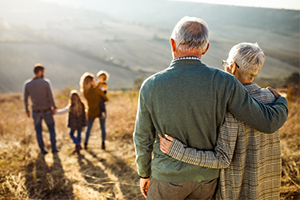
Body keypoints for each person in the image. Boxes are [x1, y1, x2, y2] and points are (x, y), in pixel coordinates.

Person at [133, 16, 288, 200]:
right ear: (206, 48)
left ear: (172, 44)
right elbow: (266, 122)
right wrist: (281, 102)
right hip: (206, 181)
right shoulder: (224, 82)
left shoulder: (151, 85)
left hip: (167, 178)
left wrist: (144, 173)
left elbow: (142, 137)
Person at [159, 42, 282, 199]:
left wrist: (178, 151)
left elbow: (222, 159)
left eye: (225, 64)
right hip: (267, 189)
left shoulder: (228, 105)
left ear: (232, 67)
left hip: (236, 192)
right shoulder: (272, 99)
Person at [24, 63, 59, 155]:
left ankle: (42, 149)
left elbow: (25, 99)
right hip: (47, 110)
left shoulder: (28, 84)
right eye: (43, 72)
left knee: (38, 131)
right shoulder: (46, 83)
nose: (44, 73)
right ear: (40, 72)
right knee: (51, 129)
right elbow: (50, 97)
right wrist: (54, 107)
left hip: (35, 112)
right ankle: (54, 148)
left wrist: (27, 110)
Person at [80, 72, 108, 150]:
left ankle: (85, 143)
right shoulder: (97, 90)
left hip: (91, 110)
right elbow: (105, 98)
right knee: (103, 127)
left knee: (88, 128)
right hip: (100, 110)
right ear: (91, 81)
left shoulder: (85, 92)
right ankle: (103, 143)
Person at [56, 90, 87, 154]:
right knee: (79, 134)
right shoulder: (82, 105)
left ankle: (77, 144)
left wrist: (55, 112)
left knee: (71, 134)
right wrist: (84, 123)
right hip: (80, 123)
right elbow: (85, 115)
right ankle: (78, 147)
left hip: (73, 124)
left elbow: (63, 111)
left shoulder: (71, 106)